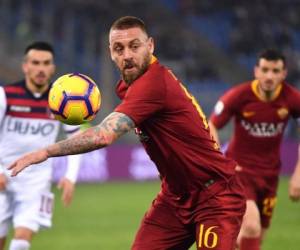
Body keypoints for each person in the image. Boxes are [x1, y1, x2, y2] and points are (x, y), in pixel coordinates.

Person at [8, 17, 246, 250]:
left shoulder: (153, 84)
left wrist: (45, 152)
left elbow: (104, 135)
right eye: (118, 49)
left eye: (135, 46)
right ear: (110, 53)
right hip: (175, 198)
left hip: (215, 196)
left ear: (150, 45)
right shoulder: (128, 86)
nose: (127, 55)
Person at [209, 49, 300, 250]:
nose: (269, 76)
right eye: (265, 69)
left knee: (254, 237)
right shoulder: (238, 96)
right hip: (239, 173)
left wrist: (298, 175)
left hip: (269, 177)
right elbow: (212, 125)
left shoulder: (292, 98)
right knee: (251, 226)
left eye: (275, 71)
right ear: (256, 71)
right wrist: (217, 160)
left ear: (284, 74)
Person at [0, 41, 81, 250]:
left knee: (21, 241)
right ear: (25, 66)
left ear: (53, 68)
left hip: (36, 181)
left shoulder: (60, 101)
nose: (41, 69)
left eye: (46, 63)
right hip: (3, 175)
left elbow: (77, 139)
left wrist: (71, 177)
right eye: (35, 63)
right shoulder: (5, 95)